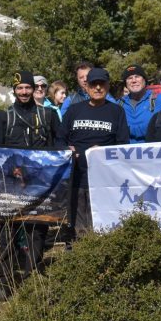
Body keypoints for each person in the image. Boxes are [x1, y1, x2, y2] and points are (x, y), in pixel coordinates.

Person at [0, 71, 62, 300]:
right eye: (19, 88)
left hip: (39, 187)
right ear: (14, 89)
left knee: (37, 232)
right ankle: (4, 285)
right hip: (11, 187)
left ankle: (32, 282)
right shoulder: (3, 117)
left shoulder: (48, 115)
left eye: (27, 88)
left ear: (34, 89)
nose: (23, 92)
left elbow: (59, 143)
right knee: (6, 235)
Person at [58, 67, 130, 235]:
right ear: (86, 86)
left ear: (108, 85)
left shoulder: (117, 111)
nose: (98, 88)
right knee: (78, 227)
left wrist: (105, 151)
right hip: (77, 177)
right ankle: (79, 257)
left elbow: (123, 144)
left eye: (102, 84)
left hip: (103, 180)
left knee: (102, 227)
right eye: (94, 84)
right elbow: (60, 138)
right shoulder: (74, 110)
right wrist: (66, 149)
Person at [119, 65, 161, 144]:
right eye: (129, 78)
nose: (134, 81)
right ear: (125, 83)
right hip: (126, 154)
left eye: (137, 76)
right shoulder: (119, 104)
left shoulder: (160, 100)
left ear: (144, 80)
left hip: (153, 152)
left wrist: (125, 130)